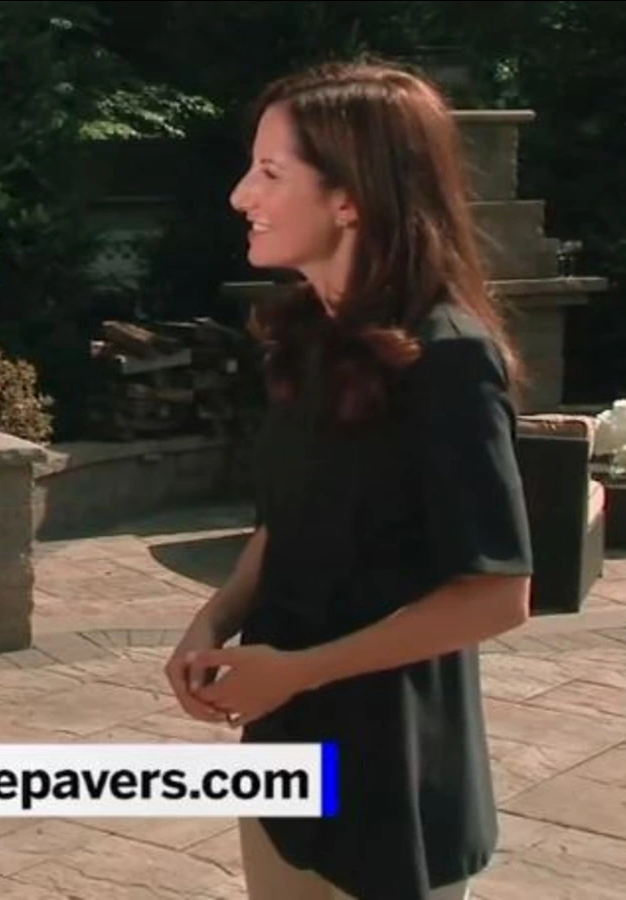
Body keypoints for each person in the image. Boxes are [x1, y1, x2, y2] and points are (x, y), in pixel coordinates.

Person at [163, 60, 536, 900]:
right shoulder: (305, 340)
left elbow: (496, 595)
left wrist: (299, 670)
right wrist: (213, 620)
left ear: (351, 198)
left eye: (269, 172)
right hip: (285, 749)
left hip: (394, 767)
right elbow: (285, 521)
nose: (239, 195)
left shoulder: (449, 357)